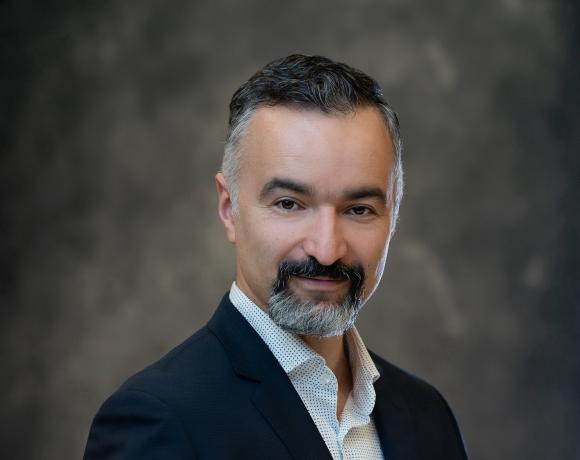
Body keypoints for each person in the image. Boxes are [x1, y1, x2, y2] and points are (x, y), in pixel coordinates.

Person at [84, 54, 468, 460]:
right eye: (289, 204)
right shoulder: (158, 420)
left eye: (358, 209)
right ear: (229, 209)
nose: (326, 250)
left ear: (393, 215)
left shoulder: (427, 416)